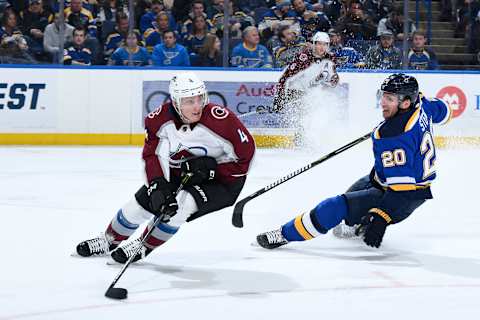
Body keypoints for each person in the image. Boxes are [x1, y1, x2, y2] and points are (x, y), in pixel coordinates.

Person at [76, 72, 256, 263]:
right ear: (176, 103)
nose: (196, 106)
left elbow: (246, 156)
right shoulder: (158, 120)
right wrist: (158, 185)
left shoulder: (223, 121)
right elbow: (153, 155)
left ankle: (143, 245)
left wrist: (213, 170)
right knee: (137, 207)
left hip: (223, 183)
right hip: (181, 172)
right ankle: (108, 240)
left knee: (181, 204)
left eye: (199, 99)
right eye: (189, 101)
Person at [256, 73, 452, 249]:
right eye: (383, 95)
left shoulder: (393, 136)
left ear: (406, 103)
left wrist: (381, 217)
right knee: (351, 196)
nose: (383, 102)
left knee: (334, 206)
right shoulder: (422, 102)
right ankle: (359, 222)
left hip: (406, 195)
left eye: (390, 99)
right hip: (386, 179)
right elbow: (445, 111)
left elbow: (403, 191)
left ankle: (283, 235)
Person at [272, 31, 339, 113]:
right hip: (295, 90)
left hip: (310, 91)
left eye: (325, 44)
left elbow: (332, 78)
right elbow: (285, 77)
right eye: (319, 44)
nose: (322, 47)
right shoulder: (304, 57)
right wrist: (279, 99)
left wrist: (333, 80)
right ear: (314, 44)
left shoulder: (331, 57)